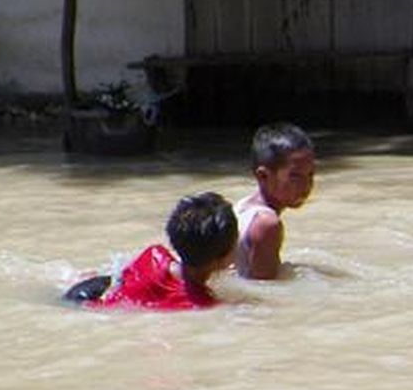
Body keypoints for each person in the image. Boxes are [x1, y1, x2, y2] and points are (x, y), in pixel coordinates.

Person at [64, 192, 239, 310]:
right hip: (92, 309)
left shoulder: (154, 254)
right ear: (220, 259)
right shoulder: (202, 304)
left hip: (85, 293)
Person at [234, 123, 316, 279]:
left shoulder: (243, 206)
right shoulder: (267, 224)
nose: (307, 186)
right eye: (295, 177)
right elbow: (264, 289)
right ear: (263, 176)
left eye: (311, 174)